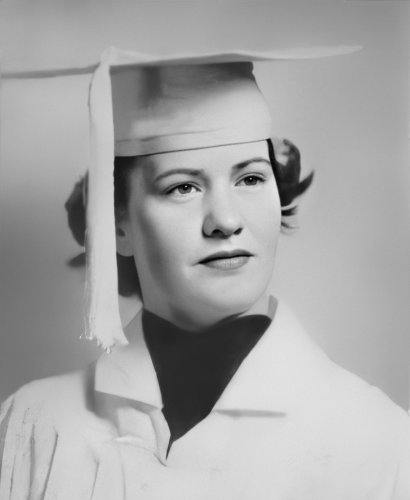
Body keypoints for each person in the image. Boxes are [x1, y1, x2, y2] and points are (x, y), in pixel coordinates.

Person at [1, 47, 410, 500]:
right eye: (183, 187)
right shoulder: (36, 425)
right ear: (117, 225)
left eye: (251, 179)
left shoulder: (378, 443)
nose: (226, 220)